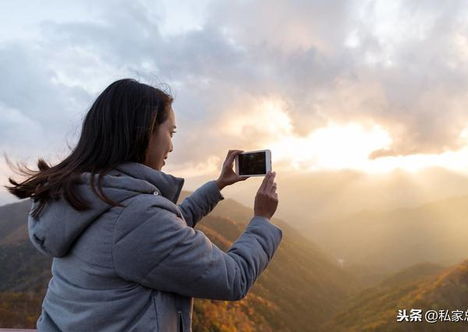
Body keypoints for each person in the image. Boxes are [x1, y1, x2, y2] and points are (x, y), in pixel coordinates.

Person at [6, 78, 282, 332]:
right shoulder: (134, 217)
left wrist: (217, 186)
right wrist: (262, 219)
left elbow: (159, 237)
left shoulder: (82, 196)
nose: (171, 146)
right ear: (145, 131)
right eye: (170, 131)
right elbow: (233, 278)